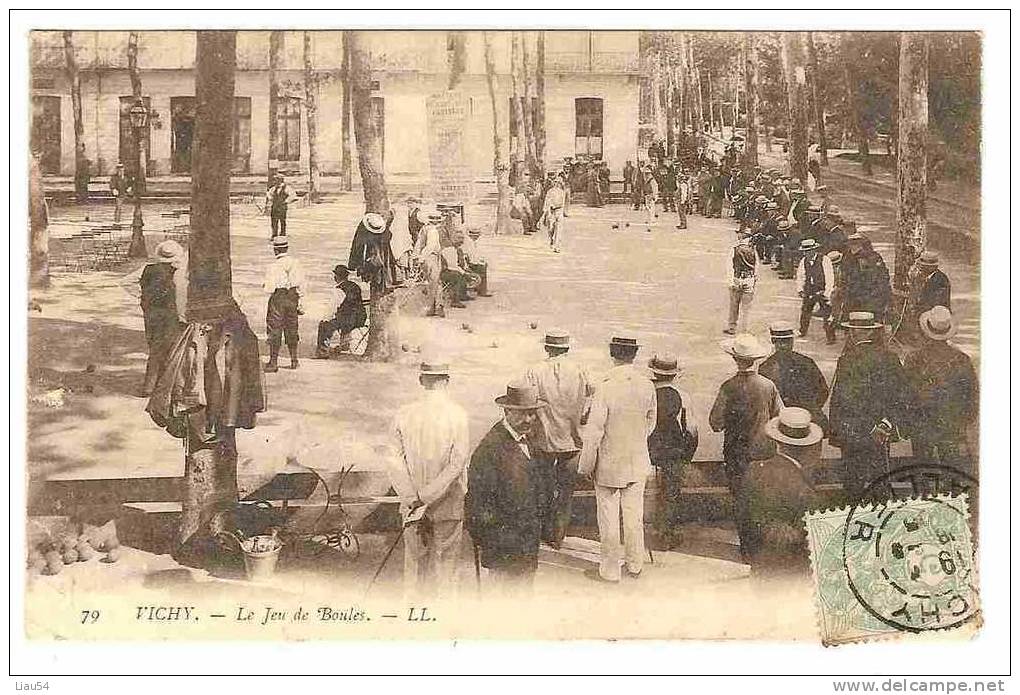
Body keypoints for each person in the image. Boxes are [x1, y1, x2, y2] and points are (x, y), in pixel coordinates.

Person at [578, 336, 656, 583]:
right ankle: (635, 563)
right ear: (634, 355)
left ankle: (610, 569)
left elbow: (595, 431)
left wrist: (586, 464)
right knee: (634, 514)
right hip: (636, 458)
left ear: (613, 354)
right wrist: (636, 440)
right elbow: (650, 421)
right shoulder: (646, 385)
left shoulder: (606, 386)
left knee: (608, 517)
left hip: (609, 462)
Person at [389, 360, 470, 598]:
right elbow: (458, 463)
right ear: (446, 381)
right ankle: (444, 616)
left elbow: (393, 459)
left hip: (413, 503)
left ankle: (413, 614)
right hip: (447, 501)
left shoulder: (403, 414)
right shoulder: (458, 415)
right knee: (446, 564)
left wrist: (412, 496)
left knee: (414, 562)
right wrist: (429, 495)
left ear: (421, 380)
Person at [465, 383, 546, 593]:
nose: (529, 419)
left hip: (527, 546)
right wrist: (493, 543)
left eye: (532, 414)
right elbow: (477, 506)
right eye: (523, 414)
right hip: (504, 551)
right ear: (507, 411)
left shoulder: (531, 438)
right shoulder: (489, 450)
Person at [709, 334, 783, 561]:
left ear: (735, 359)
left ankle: (747, 548)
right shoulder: (768, 386)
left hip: (736, 453)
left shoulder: (728, 387)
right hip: (764, 452)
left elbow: (715, 422)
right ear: (756, 360)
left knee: (741, 499)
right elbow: (781, 415)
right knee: (761, 498)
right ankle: (762, 544)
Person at [828, 312, 911, 502]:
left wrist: (862, 428)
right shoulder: (890, 358)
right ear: (872, 332)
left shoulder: (847, 359)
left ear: (854, 333)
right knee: (880, 479)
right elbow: (902, 394)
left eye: (851, 330)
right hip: (882, 431)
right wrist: (886, 424)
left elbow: (843, 401)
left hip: (853, 431)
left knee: (852, 484)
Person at [523, 331, 593, 548]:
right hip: (572, 439)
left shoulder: (534, 371)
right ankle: (558, 535)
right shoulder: (580, 370)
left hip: (543, 437)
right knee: (565, 491)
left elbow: (524, 398)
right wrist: (583, 415)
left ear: (547, 348)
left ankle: (542, 530)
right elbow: (593, 392)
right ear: (567, 348)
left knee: (542, 486)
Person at [744, 407, 824, 571]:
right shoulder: (804, 488)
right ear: (808, 447)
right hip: (791, 572)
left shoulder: (753, 470)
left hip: (760, 565)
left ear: (777, 441)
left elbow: (744, 518)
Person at [903, 306, 978, 477]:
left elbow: (905, 394)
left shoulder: (914, 359)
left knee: (921, 471)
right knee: (951, 471)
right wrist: (962, 421)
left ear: (925, 331)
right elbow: (972, 396)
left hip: (922, 426)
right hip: (951, 425)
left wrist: (909, 422)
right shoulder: (962, 359)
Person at [646, 353, 699, 550]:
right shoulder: (683, 396)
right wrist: (688, 456)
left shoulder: (646, 392)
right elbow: (691, 430)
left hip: (649, 448)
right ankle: (665, 534)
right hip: (673, 450)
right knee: (670, 494)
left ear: (654, 371)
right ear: (675, 374)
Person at [757, 322, 830, 433]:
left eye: (787, 341)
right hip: (780, 423)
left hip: (806, 422)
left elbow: (823, 391)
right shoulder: (765, 368)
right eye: (780, 342)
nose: (784, 346)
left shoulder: (807, 363)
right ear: (773, 342)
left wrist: (809, 411)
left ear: (792, 341)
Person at [139, 240, 187, 396]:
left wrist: (142, 298)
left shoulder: (148, 269)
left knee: (154, 348)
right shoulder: (176, 273)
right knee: (170, 350)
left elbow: (128, 282)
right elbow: (181, 296)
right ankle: (164, 387)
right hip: (168, 315)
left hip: (151, 314)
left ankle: (149, 386)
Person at [262, 235, 304, 372]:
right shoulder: (296, 263)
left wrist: (266, 286)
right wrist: (300, 300)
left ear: (275, 250)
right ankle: (294, 360)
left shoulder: (273, 266)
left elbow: (269, 288)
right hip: (292, 297)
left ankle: (273, 362)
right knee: (292, 327)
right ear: (287, 248)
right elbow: (300, 284)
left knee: (275, 328)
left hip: (278, 299)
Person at [315, 264, 367, 358]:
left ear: (336, 277)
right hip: (360, 318)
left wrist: (326, 319)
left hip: (347, 321)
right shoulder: (355, 286)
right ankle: (344, 345)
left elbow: (333, 307)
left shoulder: (339, 289)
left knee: (323, 325)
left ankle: (322, 352)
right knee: (344, 316)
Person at [842, 232, 892, 323]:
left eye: (856, 244)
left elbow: (882, 278)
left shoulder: (873, 257)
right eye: (851, 244)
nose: (853, 246)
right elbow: (846, 276)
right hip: (854, 295)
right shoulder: (848, 258)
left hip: (872, 295)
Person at [348, 212, 396, 298]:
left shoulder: (367, 229)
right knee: (380, 272)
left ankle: (378, 291)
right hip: (380, 256)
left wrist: (354, 264)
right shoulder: (382, 229)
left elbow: (357, 245)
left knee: (377, 273)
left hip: (376, 256)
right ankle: (381, 289)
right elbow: (358, 246)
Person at [795, 238, 835, 338]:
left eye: (808, 251)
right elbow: (800, 275)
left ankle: (830, 336)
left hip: (821, 289)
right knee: (805, 311)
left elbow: (829, 277)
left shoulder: (824, 259)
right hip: (809, 289)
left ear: (814, 250)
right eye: (805, 252)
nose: (806, 254)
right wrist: (800, 289)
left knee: (827, 313)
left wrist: (827, 293)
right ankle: (802, 331)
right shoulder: (804, 261)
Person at [412, 206, 446, 317]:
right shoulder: (431, 230)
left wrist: (418, 257)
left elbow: (425, 245)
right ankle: (436, 307)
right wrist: (420, 257)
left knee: (433, 283)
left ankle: (436, 306)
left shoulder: (428, 229)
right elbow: (429, 246)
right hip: (430, 257)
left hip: (429, 257)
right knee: (434, 283)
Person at [724, 230, 758, 335]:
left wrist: (730, 281)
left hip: (737, 278)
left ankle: (732, 327)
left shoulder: (735, 249)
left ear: (743, 235)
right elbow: (757, 265)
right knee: (747, 307)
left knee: (734, 305)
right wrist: (754, 278)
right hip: (749, 279)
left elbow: (730, 266)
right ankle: (746, 329)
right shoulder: (753, 249)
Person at [461, 228, 492, 297]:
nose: (476, 236)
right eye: (474, 235)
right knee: (481, 268)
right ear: (470, 235)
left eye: (477, 235)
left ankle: (481, 289)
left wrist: (482, 261)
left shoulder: (475, 242)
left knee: (483, 265)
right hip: (468, 262)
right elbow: (466, 255)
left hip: (473, 261)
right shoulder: (467, 243)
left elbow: (477, 255)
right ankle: (482, 290)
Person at [541, 176, 567, 253]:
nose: (556, 184)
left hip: (559, 211)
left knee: (559, 229)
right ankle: (551, 239)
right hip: (551, 211)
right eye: (555, 182)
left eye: (558, 182)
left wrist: (558, 208)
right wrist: (545, 211)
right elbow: (546, 202)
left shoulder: (562, 192)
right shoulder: (550, 191)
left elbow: (562, 203)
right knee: (551, 228)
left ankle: (557, 246)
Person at [265, 173, 294, 239]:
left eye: (277, 180)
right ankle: (274, 234)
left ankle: (283, 234)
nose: (275, 181)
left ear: (281, 180)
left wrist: (286, 201)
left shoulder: (287, 188)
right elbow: (269, 194)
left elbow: (292, 195)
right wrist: (271, 199)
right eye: (275, 180)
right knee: (274, 220)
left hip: (282, 206)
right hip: (275, 206)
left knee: (282, 220)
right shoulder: (274, 188)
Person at [641, 166, 659, 230]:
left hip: (651, 195)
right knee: (647, 207)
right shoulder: (646, 180)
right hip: (647, 195)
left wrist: (654, 195)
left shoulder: (652, 180)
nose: (646, 174)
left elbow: (655, 188)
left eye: (648, 173)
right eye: (646, 173)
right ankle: (648, 219)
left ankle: (652, 219)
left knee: (651, 207)